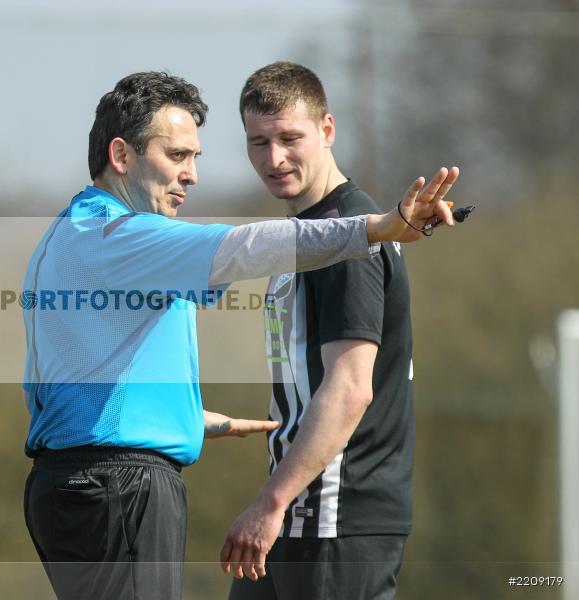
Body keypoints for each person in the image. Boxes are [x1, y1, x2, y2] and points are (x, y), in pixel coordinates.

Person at [21, 71, 458, 600]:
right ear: (121, 155)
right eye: (178, 155)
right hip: (119, 486)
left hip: (75, 487)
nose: (193, 175)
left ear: (327, 129)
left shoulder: (66, 234)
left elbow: (73, 373)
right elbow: (242, 248)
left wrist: (187, 416)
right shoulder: (124, 236)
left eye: (196, 157)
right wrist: (373, 228)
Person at [221, 62, 457, 599]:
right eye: (258, 142)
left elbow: (350, 389)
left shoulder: (351, 239)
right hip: (296, 514)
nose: (273, 158)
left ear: (327, 130)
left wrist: (270, 503)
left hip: (337, 517)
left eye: (289, 138)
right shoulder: (307, 236)